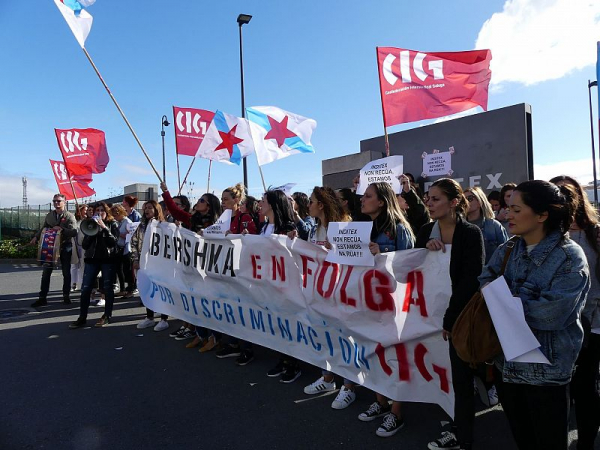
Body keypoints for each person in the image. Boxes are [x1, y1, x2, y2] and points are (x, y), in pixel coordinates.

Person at [479, 180, 589, 450]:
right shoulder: (508, 249)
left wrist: (503, 304)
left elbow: (553, 315)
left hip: (547, 373)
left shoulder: (569, 256)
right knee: (523, 439)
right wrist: (505, 302)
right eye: (507, 208)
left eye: (516, 209)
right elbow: (485, 278)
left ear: (542, 215)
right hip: (507, 367)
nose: (507, 215)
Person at [416, 179, 484, 450]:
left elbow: (471, 280)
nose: (429, 204)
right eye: (427, 199)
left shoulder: (470, 234)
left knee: (461, 378)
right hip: (427, 317)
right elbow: (409, 268)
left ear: (454, 202)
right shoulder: (423, 231)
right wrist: (424, 251)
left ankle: (462, 435)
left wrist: (450, 318)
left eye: (435, 199)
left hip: (458, 318)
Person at [356, 182, 415, 437]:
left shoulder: (399, 229)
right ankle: (380, 401)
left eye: (368, 196)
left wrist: (384, 252)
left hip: (395, 305)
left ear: (381, 202)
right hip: (369, 302)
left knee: (397, 357)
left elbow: (412, 262)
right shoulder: (361, 229)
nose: (362, 200)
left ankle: (397, 412)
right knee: (374, 352)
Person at [549, 176, 599, 450]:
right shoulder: (546, 236)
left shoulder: (594, 233)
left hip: (590, 325)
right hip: (557, 325)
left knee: (584, 387)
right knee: (562, 389)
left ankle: (587, 441)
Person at [299, 186, 357, 407]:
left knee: (344, 339)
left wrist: (339, 249)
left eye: (311, 201)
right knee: (324, 335)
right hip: (320, 292)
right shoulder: (315, 229)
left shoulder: (345, 226)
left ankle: (349, 386)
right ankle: (328, 378)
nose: (308, 205)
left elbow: (356, 258)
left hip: (342, 293)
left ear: (321, 205)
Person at [256, 189, 300, 382]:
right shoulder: (263, 227)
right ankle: (282, 360)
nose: (260, 203)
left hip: (286, 286)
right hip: (268, 285)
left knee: (288, 325)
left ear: (273, 204)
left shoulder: (288, 228)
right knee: (276, 325)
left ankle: (293, 364)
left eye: (263, 200)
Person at [215, 183, 259, 362]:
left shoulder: (245, 217)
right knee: (230, 309)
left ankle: (247, 348)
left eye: (226, 199)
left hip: (243, 271)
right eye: (222, 199)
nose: (223, 202)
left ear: (236, 200)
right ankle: (233, 343)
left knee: (242, 311)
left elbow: (254, 239)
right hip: (227, 269)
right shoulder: (223, 218)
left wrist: (244, 235)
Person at [69, 201, 120, 328]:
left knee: (107, 288)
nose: (100, 213)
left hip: (107, 260)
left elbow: (113, 242)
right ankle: (82, 317)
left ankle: (107, 315)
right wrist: (92, 233)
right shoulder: (90, 224)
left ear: (106, 212)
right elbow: (85, 245)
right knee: (86, 288)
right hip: (92, 259)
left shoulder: (112, 224)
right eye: (97, 211)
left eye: (102, 210)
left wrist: (104, 228)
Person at [30, 193, 77, 307]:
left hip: (65, 246)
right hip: (50, 247)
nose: (56, 203)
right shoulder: (50, 216)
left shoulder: (70, 216)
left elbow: (74, 232)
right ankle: (42, 298)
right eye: (54, 201)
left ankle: (66, 296)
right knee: (46, 272)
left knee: (66, 272)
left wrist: (61, 229)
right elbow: (44, 228)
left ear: (64, 202)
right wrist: (36, 237)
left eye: (59, 201)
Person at [132, 201, 170, 332]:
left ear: (156, 209)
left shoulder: (163, 226)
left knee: (161, 291)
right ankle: (149, 317)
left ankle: (164, 319)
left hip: (160, 265)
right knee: (147, 290)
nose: (147, 210)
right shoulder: (141, 226)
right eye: (145, 208)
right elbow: (134, 242)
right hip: (145, 264)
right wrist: (136, 259)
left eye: (150, 208)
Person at [464, 187, 508, 264]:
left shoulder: (494, 226)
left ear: (479, 201)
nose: (465, 202)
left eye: (469, 198)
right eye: (463, 200)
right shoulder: (458, 227)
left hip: (491, 273)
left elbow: (506, 253)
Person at [110, 204, 133, 297]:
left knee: (127, 270)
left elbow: (130, 235)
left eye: (115, 215)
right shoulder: (119, 222)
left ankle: (130, 290)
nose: (114, 217)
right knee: (119, 270)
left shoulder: (127, 222)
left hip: (126, 249)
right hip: (119, 248)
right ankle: (123, 289)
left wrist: (118, 233)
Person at [70, 203, 88, 292]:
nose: (86, 212)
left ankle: (82, 284)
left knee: (82, 265)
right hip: (74, 245)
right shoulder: (74, 220)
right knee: (74, 265)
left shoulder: (87, 221)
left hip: (83, 246)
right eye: (84, 210)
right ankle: (73, 283)